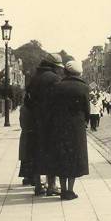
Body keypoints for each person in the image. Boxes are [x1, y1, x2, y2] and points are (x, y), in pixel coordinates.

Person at [49, 60, 90, 201]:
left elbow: (52, 107)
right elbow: (87, 110)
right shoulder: (83, 87)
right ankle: (70, 191)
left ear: (66, 72)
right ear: (78, 73)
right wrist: (85, 121)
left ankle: (63, 189)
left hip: (59, 126)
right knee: (74, 158)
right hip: (76, 127)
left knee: (62, 157)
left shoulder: (57, 86)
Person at [27, 53, 64, 196]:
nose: (59, 70)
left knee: (36, 152)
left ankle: (38, 186)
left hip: (35, 121)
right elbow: (58, 101)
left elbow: (28, 101)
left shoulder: (34, 78)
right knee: (52, 153)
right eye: (58, 67)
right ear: (53, 66)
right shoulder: (54, 79)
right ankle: (51, 186)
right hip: (51, 122)